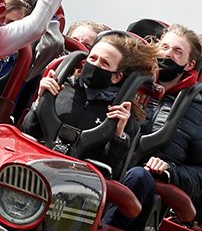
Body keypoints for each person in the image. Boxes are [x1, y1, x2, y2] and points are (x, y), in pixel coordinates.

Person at [104, 25, 202, 231]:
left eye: (177, 51)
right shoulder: (126, 84)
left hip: (146, 190)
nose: (167, 54)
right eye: (164, 46)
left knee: (138, 176)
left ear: (189, 64)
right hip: (108, 165)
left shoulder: (197, 110)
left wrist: (169, 171)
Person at [21, 32, 156, 171]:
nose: (96, 65)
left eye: (105, 63)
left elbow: (111, 168)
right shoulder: (60, 88)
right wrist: (40, 101)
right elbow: (27, 132)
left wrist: (118, 136)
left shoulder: (120, 114)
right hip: (37, 162)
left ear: (116, 77)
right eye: (93, 58)